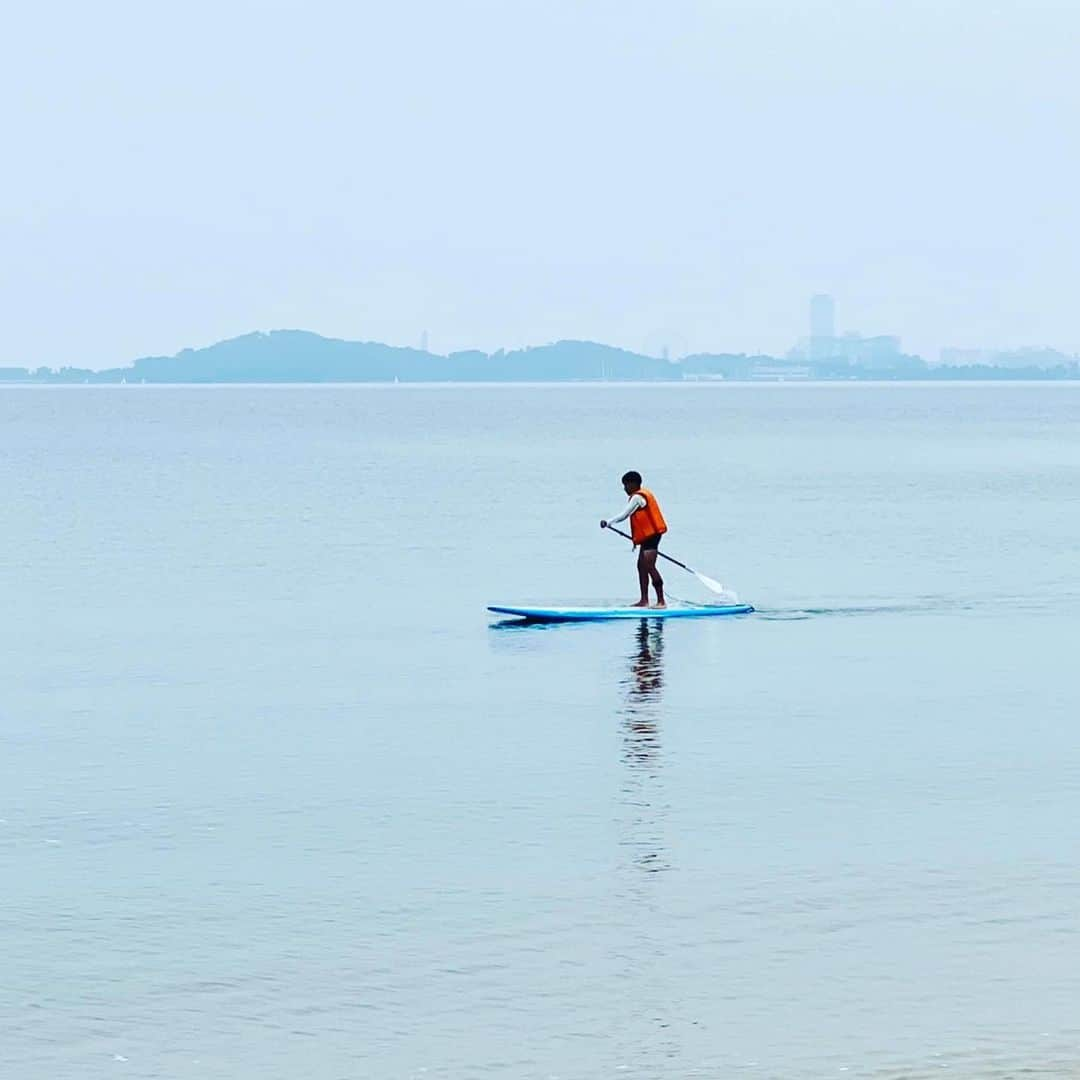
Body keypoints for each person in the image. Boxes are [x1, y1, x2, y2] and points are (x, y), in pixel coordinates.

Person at [600, 471, 668, 608]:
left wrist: (608, 522)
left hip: (652, 537)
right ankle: (644, 601)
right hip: (646, 538)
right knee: (641, 567)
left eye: (626, 485)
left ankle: (661, 601)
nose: (625, 488)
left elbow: (625, 514)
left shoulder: (637, 497)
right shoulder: (639, 495)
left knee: (649, 566)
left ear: (634, 484)